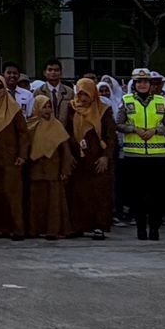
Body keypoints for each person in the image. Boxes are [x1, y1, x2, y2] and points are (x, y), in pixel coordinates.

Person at [118, 69, 165, 240]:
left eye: (146, 82)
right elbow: (118, 124)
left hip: (157, 155)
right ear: (134, 84)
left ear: (151, 84)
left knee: (157, 194)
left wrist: (156, 130)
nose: (142, 85)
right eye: (139, 82)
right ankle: (141, 229)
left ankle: (155, 229)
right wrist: (133, 128)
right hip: (134, 154)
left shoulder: (161, 101)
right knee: (137, 195)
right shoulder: (126, 101)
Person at [65, 78, 116, 240]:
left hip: (97, 158)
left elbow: (111, 136)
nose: (82, 98)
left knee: (99, 193)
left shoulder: (103, 110)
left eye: (86, 94)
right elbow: (65, 132)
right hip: (77, 159)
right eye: (79, 94)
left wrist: (106, 157)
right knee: (78, 193)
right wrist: (67, 155)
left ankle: (99, 227)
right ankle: (78, 226)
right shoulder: (71, 108)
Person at [0, 74, 29, 240]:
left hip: (10, 158)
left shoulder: (13, 108)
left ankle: (17, 228)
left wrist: (22, 155)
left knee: (12, 194)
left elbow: (23, 133)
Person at [26, 95, 73, 240]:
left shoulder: (57, 125)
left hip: (53, 169)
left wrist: (65, 169)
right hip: (36, 169)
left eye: (49, 106)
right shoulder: (30, 125)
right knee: (36, 201)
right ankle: (35, 229)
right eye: (44, 106)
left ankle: (53, 230)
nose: (47, 110)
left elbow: (66, 151)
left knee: (54, 202)